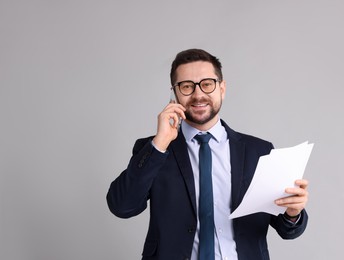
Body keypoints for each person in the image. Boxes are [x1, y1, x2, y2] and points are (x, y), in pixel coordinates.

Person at [106, 49, 309, 260]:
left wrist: (293, 213)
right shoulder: (155, 150)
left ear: (222, 88)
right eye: (186, 86)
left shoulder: (259, 151)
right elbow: (122, 207)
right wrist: (160, 143)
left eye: (207, 84)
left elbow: (287, 230)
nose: (198, 94)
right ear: (174, 93)